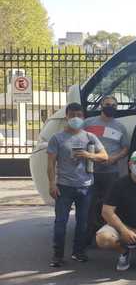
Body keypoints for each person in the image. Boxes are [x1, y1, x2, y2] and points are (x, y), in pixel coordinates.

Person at [47, 103, 108, 267]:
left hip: (86, 186)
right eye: (72, 115)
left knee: (83, 222)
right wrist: (52, 184)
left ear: (83, 117)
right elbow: (50, 163)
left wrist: (89, 155)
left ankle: (78, 252)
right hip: (64, 186)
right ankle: (57, 255)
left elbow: (104, 156)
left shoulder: (90, 137)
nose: (76, 118)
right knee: (60, 222)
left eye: (79, 115)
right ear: (66, 116)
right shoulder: (57, 138)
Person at [83, 96, 129, 243]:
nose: (111, 107)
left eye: (114, 105)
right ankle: (87, 238)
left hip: (111, 173)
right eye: (108, 104)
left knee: (110, 206)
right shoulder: (88, 123)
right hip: (90, 172)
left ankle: (110, 236)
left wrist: (115, 157)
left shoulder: (120, 127)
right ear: (101, 105)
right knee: (88, 206)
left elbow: (125, 148)